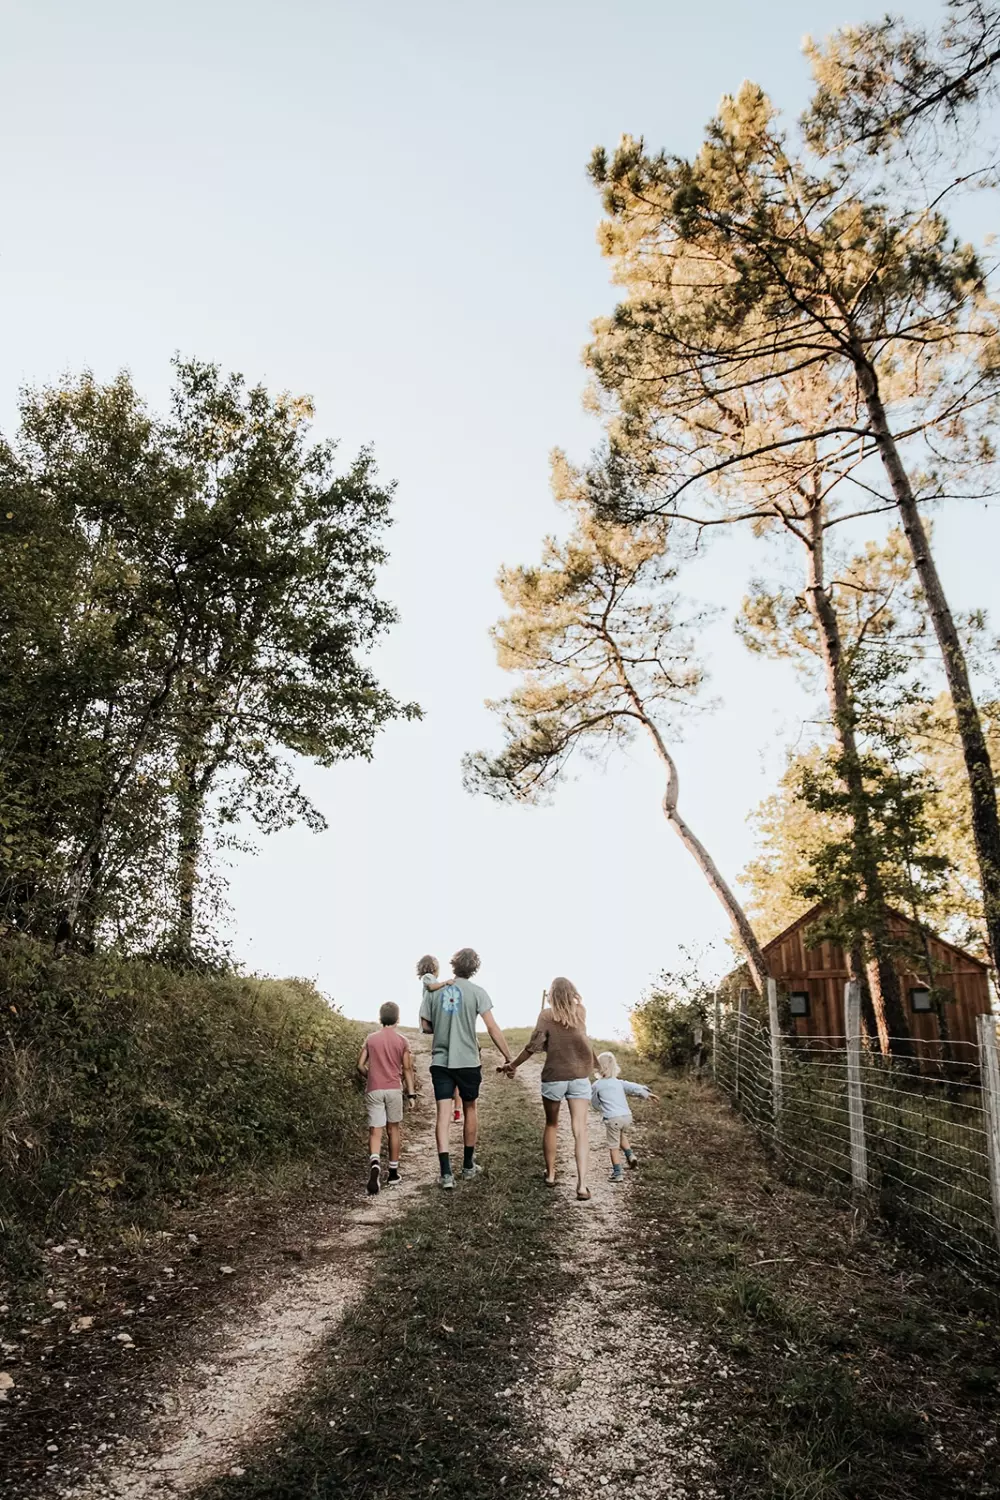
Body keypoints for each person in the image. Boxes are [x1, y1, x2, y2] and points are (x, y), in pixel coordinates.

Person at [419, 947, 513, 1190]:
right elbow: (492, 1028)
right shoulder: (478, 992)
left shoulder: (434, 991)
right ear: (474, 969)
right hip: (469, 1061)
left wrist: (444, 1026)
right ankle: (468, 1166)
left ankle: (446, 1174)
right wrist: (508, 1057)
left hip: (441, 1061)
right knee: (470, 1109)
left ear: (454, 965)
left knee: (443, 1115)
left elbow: (426, 1026)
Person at [503, 977, 600, 1201]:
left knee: (551, 1124)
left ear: (551, 995)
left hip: (554, 1077)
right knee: (580, 1130)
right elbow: (582, 1040)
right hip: (579, 1077)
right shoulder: (580, 1012)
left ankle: (550, 1174)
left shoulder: (546, 1015)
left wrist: (513, 1065)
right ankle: (582, 1186)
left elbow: (533, 1047)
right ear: (572, 992)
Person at [358, 1002, 417, 1195]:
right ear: (398, 1019)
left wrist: (370, 1076)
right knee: (393, 1129)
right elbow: (407, 1068)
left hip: (374, 1089)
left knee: (375, 1130)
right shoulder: (402, 1041)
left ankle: (375, 1163)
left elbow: (360, 1065)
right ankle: (392, 1173)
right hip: (393, 1089)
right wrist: (411, 1094)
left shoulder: (371, 1039)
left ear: (380, 1018)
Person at [591, 1050, 658, 1182]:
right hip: (627, 1117)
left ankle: (617, 1173)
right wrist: (646, 1093)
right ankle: (630, 1155)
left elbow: (594, 1103)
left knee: (613, 1147)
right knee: (621, 1135)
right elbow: (633, 1087)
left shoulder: (597, 1085)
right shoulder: (619, 1082)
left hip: (613, 1119)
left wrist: (600, 1108)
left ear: (598, 1067)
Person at [417, 955, 463, 1124]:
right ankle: (457, 1109)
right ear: (433, 967)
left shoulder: (433, 982)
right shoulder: (429, 978)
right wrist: (446, 983)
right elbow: (431, 987)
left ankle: (455, 1109)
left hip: (432, 1014)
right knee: (457, 1078)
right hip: (431, 1011)